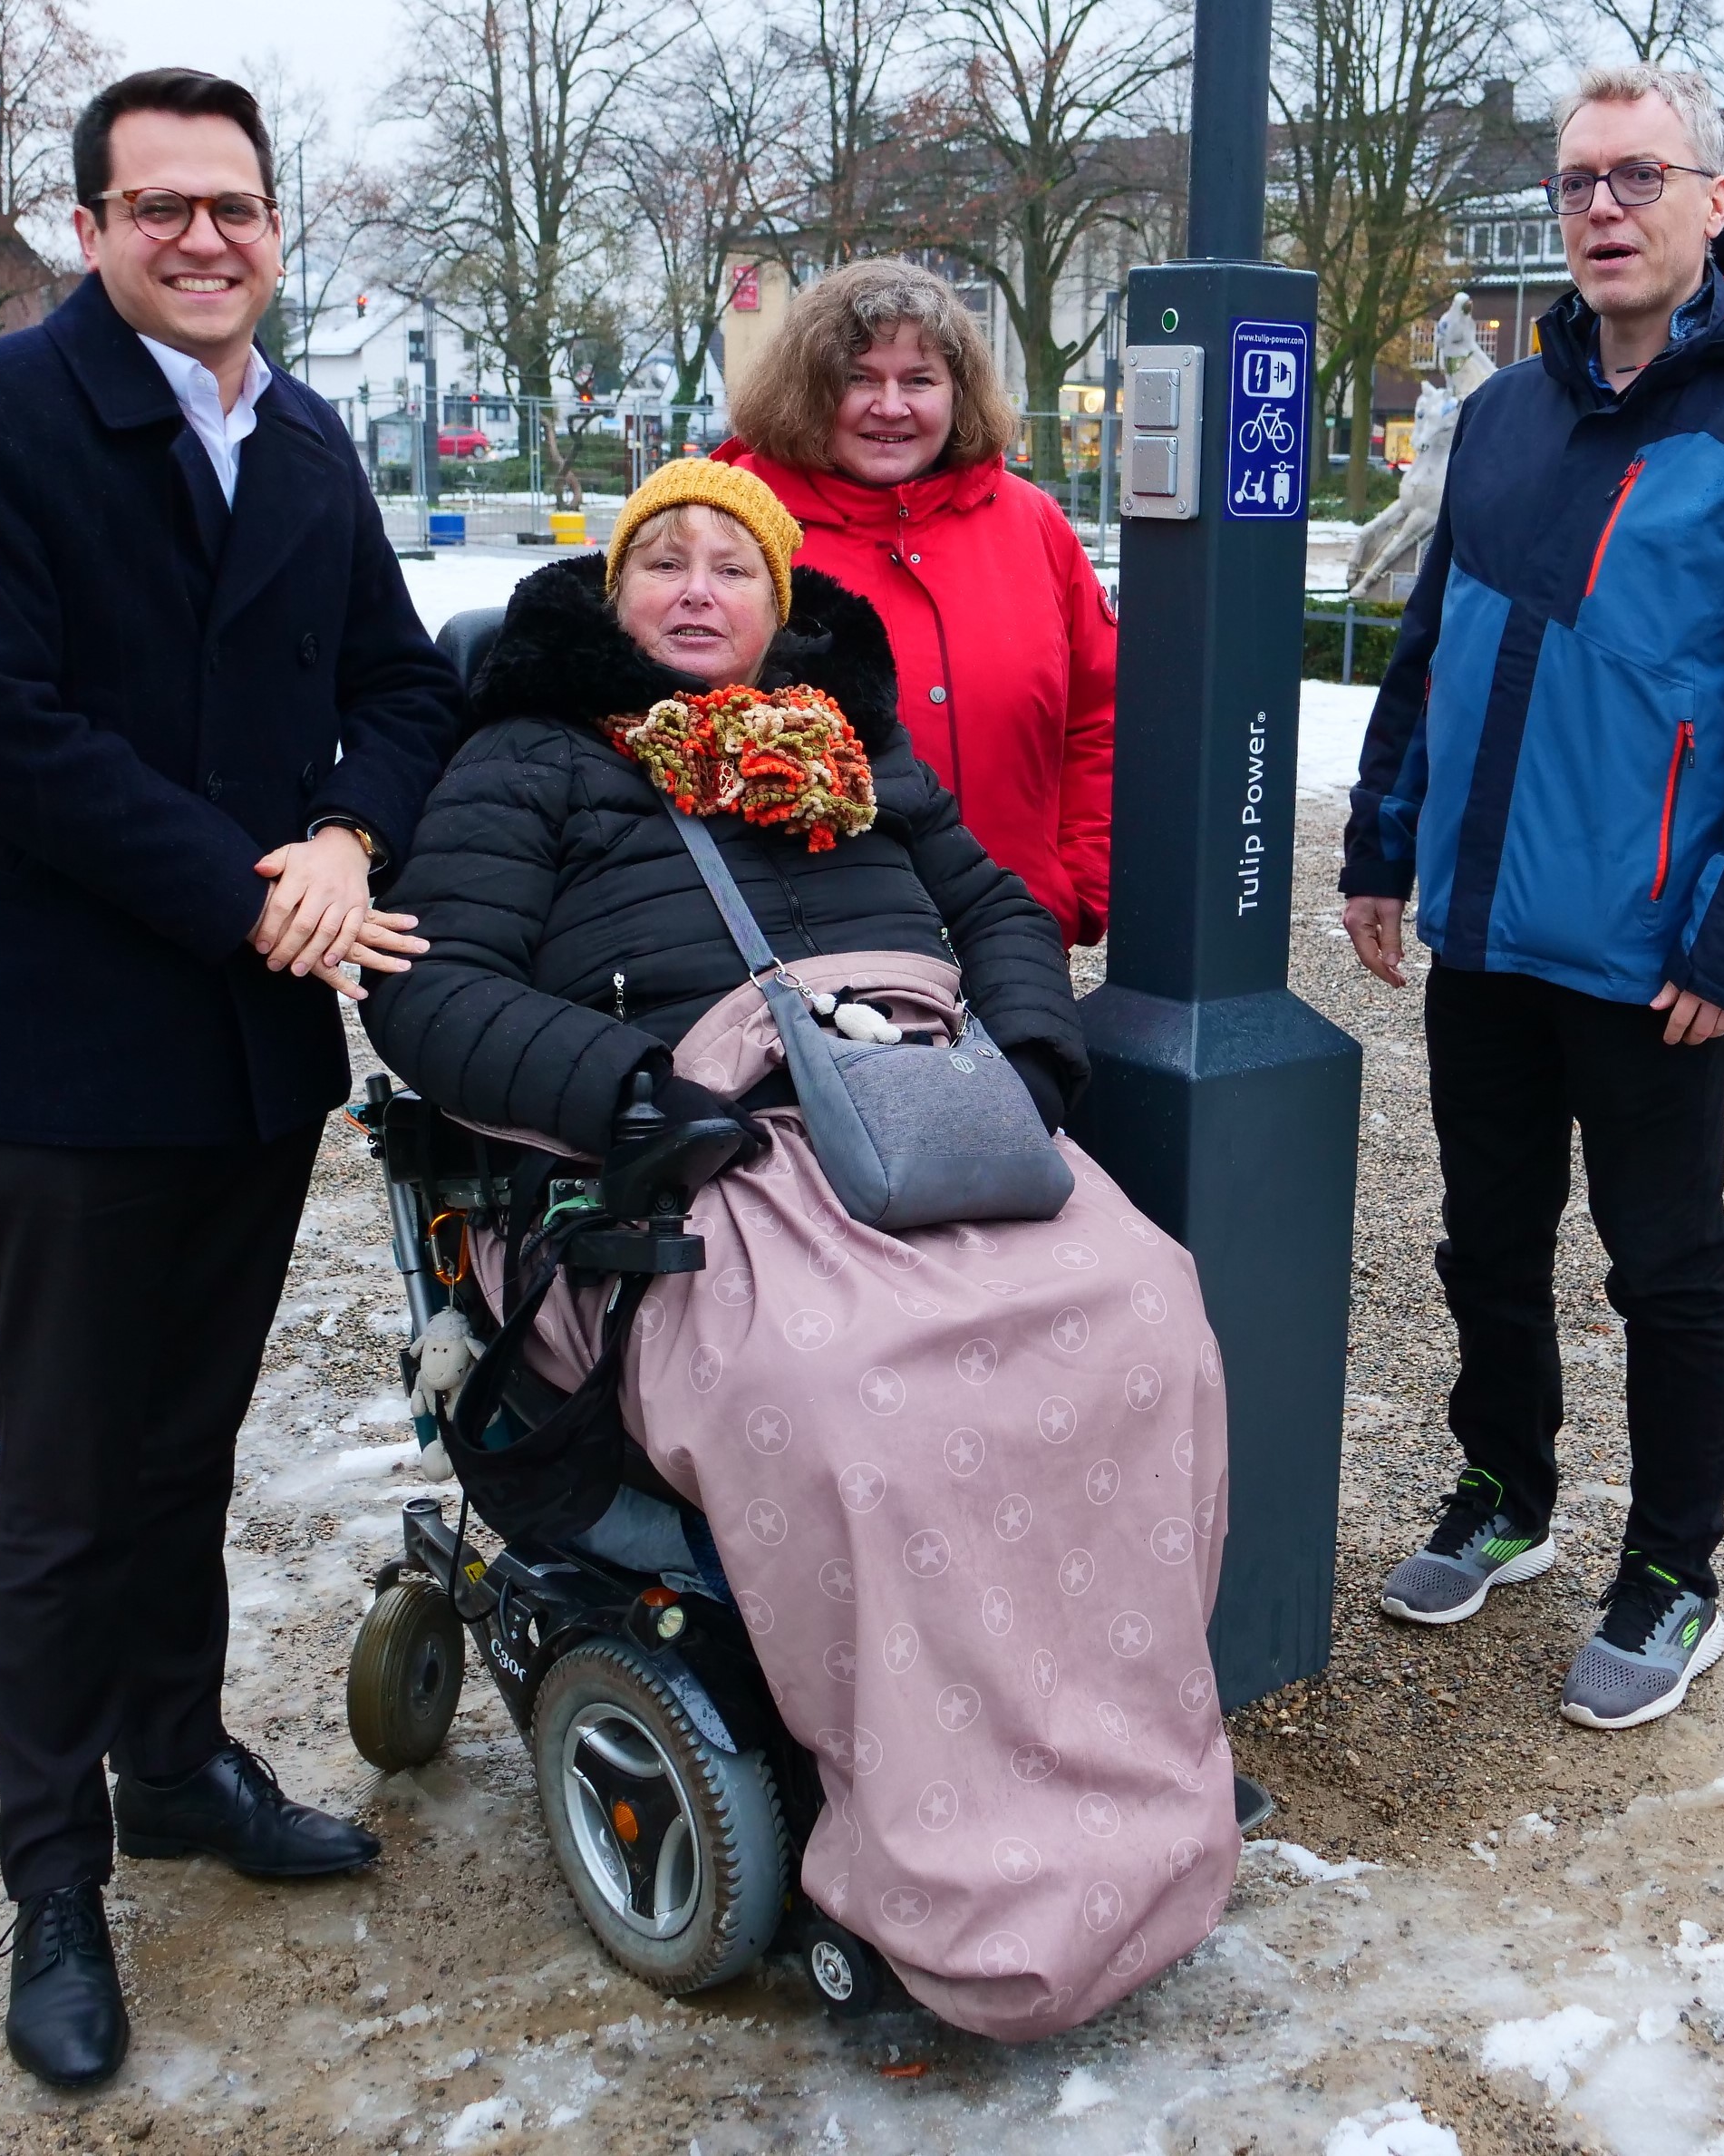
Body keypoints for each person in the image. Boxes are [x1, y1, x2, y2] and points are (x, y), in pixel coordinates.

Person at [363, 460, 1240, 2037]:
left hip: (928, 1122)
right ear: (614, 596)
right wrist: (635, 1091)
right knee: (861, 1405)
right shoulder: (529, 761)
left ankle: (1131, 1796)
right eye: (663, 563)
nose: (699, 589)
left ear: (782, 606)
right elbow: (430, 995)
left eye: (734, 567)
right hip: (675, 1164)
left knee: (1147, 1316)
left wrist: (1031, 1068)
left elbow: (1002, 916)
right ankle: (941, 1860)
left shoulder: (855, 747)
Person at [0, 67, 461, 2086]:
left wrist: (348, 844)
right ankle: (54, 1876)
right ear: (90, 227)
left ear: (276, 226)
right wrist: (249, 891)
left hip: (244, 1048)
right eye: (160, 210)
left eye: (236, 208)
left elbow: (400, 683)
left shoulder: (296, 437)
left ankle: (178, 1767)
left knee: (185, 1451)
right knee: (62, 1486)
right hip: (67, 1042)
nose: (203, 241)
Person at [1338, 65, 1724, 1732]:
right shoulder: (1504, 415)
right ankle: (1507, 1488)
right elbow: (1430, 656)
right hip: (1490, 926)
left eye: (1639, 177)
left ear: (1719, 201)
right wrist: (1381, 840)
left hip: (1655, 951)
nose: (1602, 208)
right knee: (1484, 1237)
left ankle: (1673, 1569)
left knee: (1667, 1262)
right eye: (1577, 181)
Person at [714, 260, 1117, 949]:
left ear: (959, 393)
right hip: (805, 953)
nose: (891, 406)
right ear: (807, 391)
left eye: (920, 380)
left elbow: (1102, 714)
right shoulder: (730, 518)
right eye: (859, 378)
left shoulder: (1031, 522)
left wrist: (1073, 884)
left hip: (1014, 941)